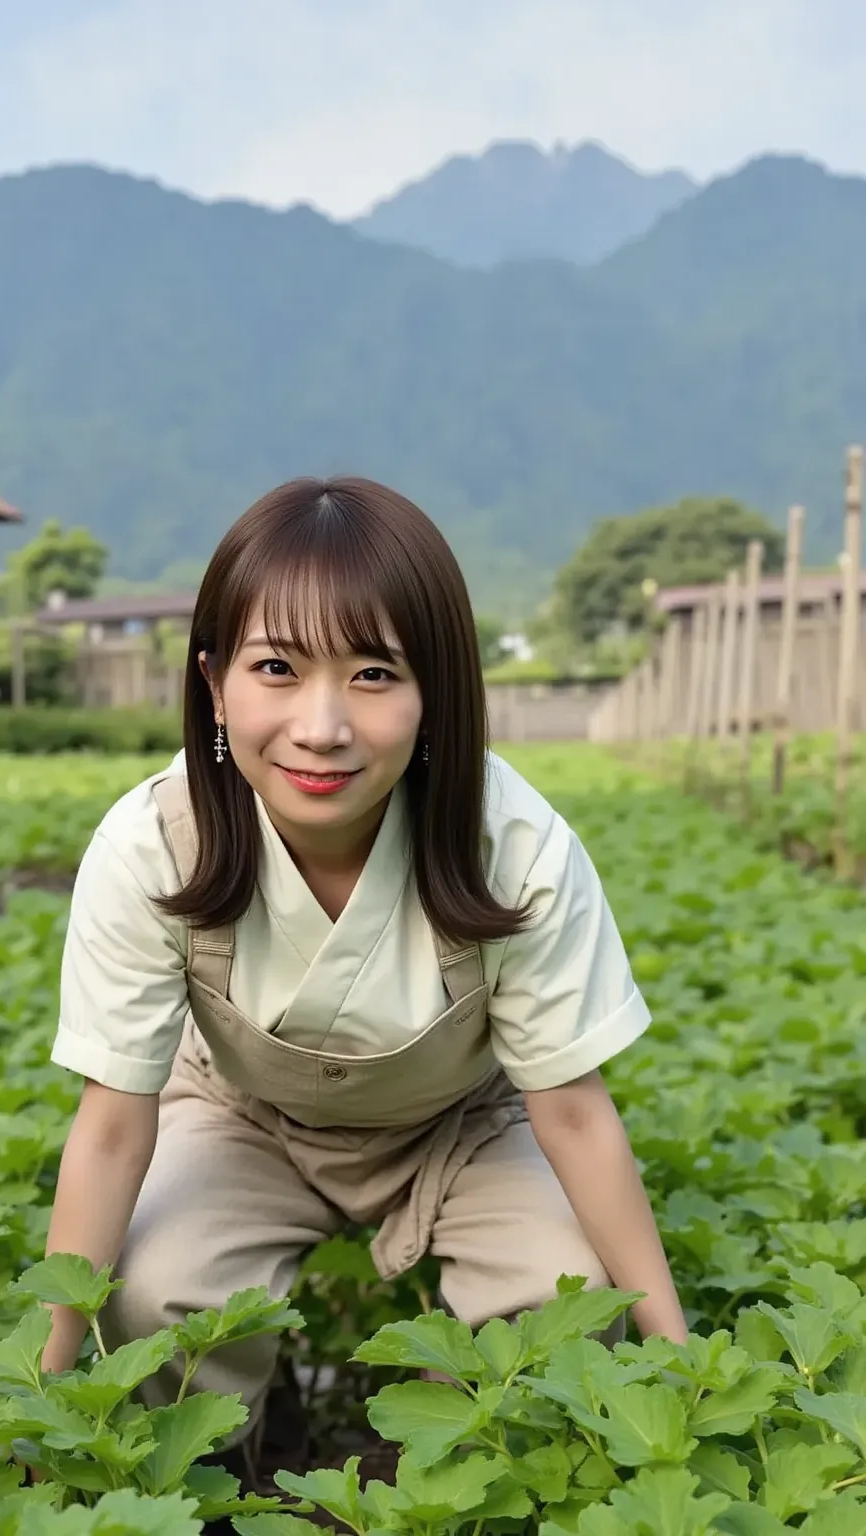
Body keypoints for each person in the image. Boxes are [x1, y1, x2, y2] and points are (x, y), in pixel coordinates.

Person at [43, 476, 687, 1492]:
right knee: (159, 1296)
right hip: (240, 1118)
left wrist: (674, 1356)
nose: (322, 725)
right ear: (214, 685)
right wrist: (44, 1399)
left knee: (562, 1303)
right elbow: (115, 1124)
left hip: (462, 1127)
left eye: (375, 673)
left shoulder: (513, 847)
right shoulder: (151, 845)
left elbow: (571, 1113)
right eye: (276, 668)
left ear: (437, 692)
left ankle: (445, 1475)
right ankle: (228, 1461)